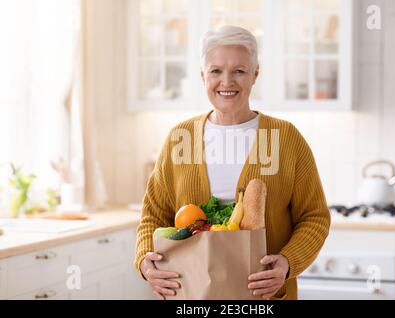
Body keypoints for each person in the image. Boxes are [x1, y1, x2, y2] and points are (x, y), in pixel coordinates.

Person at [134, 25, 330, 300]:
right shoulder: (181, 138)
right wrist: (145, 261)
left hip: (265, 297)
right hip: (191, 295)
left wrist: (287, 262)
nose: (227, 82)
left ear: (255, 75)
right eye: (216, 71)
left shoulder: (285, 138)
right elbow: (153, 215)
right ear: (203, 76)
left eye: (239, 70)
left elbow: (314, 217)